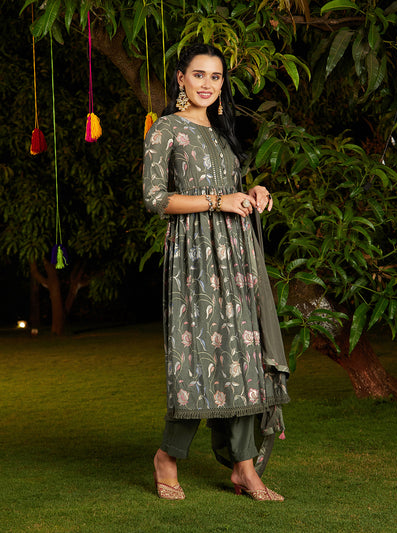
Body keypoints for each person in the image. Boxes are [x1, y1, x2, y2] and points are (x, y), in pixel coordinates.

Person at [142, 43, 290, 501]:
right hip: (194, 258)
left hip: (237, 254)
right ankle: (168, 457)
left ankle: (244, 467)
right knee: (197, 355)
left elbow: (230, 189)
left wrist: (254, 192)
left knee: (243, 353)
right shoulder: (166, 129)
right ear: (180, 78)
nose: (207, 84)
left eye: (216, 76)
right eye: (199, 74)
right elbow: (155, 198)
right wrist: (217, 201)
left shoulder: (224, 134)